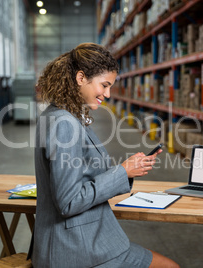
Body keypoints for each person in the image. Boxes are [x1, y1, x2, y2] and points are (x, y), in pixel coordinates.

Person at [30, 43, 179, 268]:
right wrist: (122, 171)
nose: (107, 94)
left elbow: (80, 174)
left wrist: (127, 169)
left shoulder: (60, 113)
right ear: (81, 78)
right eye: (104, 85)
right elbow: (69, 202)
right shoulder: (65, 124)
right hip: (75, 247)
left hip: (79, 238)